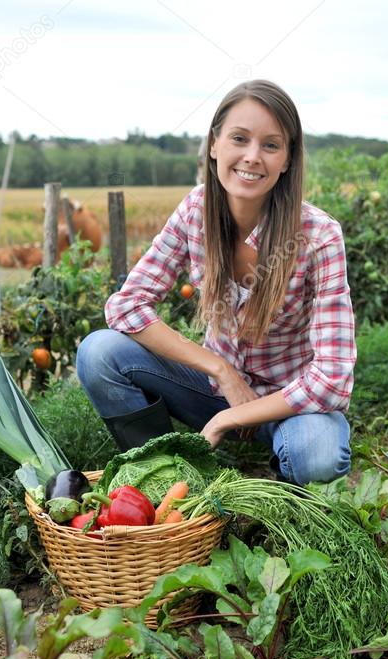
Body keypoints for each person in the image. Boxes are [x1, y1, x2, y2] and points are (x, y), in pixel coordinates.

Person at [75, 79, 355, 485]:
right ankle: (173, 477)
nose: (252, 157)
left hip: (290, 405)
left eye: (271, 145)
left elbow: (332, 380)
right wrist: (221, 370)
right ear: (214, 144)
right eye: (239, 139)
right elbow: (126, 306)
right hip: (210, 391)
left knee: (315, 454)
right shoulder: (196, 211)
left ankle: (281, 495)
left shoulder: (318, 236)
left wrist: (233, 415)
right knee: (98, 352)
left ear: (288, 159)